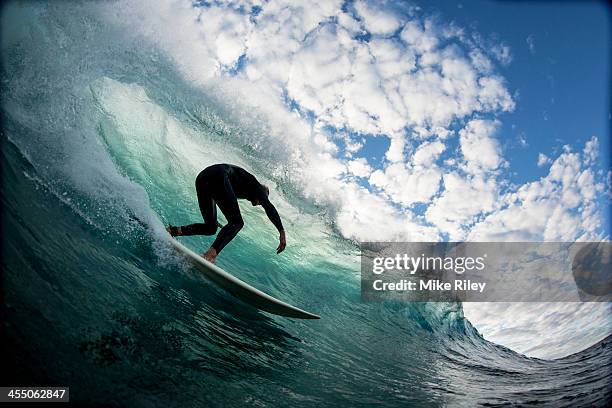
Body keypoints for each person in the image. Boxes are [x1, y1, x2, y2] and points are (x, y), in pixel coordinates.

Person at [166, 163, 286, 263]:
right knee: (237, 223)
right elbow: (269, 207)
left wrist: (213, 217)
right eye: (261, 201)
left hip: (203, 177)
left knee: (210, 227)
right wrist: (281, 231)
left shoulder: (243, 185)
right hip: (218, 176)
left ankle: (173, 231)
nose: (259, 204)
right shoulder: (259, 189)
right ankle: (211, 254)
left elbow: (219, 195)